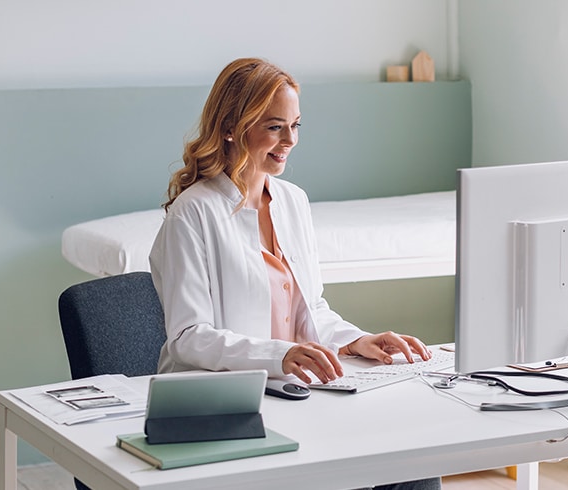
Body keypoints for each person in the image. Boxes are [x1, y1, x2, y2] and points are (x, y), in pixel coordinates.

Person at [149, 58, 441, 490]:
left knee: (412, 467)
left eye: (295, 126)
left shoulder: (292, 201)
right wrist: (279, 355)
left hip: (291, 395)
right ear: (232, 125)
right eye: (274, 127)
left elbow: (310, 310)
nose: (290, 141)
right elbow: (189, 336)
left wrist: (356, 340)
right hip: (223, 407)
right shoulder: (192, 213)